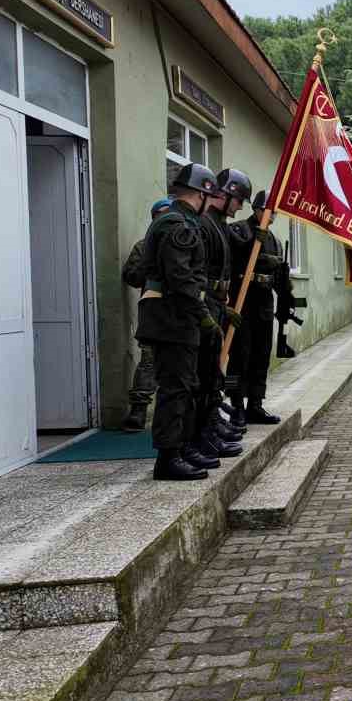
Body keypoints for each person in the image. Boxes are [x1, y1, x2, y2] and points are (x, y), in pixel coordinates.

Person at [138, 166, 220, 480]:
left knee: (184, 386)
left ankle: (180, 449)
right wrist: (204, 316)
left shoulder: (177, 221)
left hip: (175, 317)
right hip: (172, 319)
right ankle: (168, 459)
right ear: (200, 194)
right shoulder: (177, 225)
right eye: (207, 197)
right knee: (176, 388)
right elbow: (181, 278)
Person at [226, 186, 288, 425]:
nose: (272, 216)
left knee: (261, 356)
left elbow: (279, 274)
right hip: (242, 301)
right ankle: (236, 405)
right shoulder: (240, 229)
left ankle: (255, 404)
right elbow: (234, 256)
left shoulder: (273, 238)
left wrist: (285, 298)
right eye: (270, 211)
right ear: (259, 208)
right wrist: (255, 243)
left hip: (263, 304)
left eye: (275, 213)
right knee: (239, 356)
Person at [194, 172, 243, 462]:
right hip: (205, 304)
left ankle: (211, 426)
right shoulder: (204, 224)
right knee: (205, 373)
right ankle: (204, 432)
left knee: (213, 371)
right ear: (224, 195)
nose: (239, 208)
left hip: (216, 303)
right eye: (238, 201)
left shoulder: (219, 225)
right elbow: (198, 274)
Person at [120, 197, 174, 431]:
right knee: (149, 361)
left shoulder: (182, 241)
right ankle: (139, 410)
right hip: (153, 311)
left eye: (167, 214)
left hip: (179, 312)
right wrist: (148, 261)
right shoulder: (143, 247)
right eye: (159, 215)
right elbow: (131, 277)